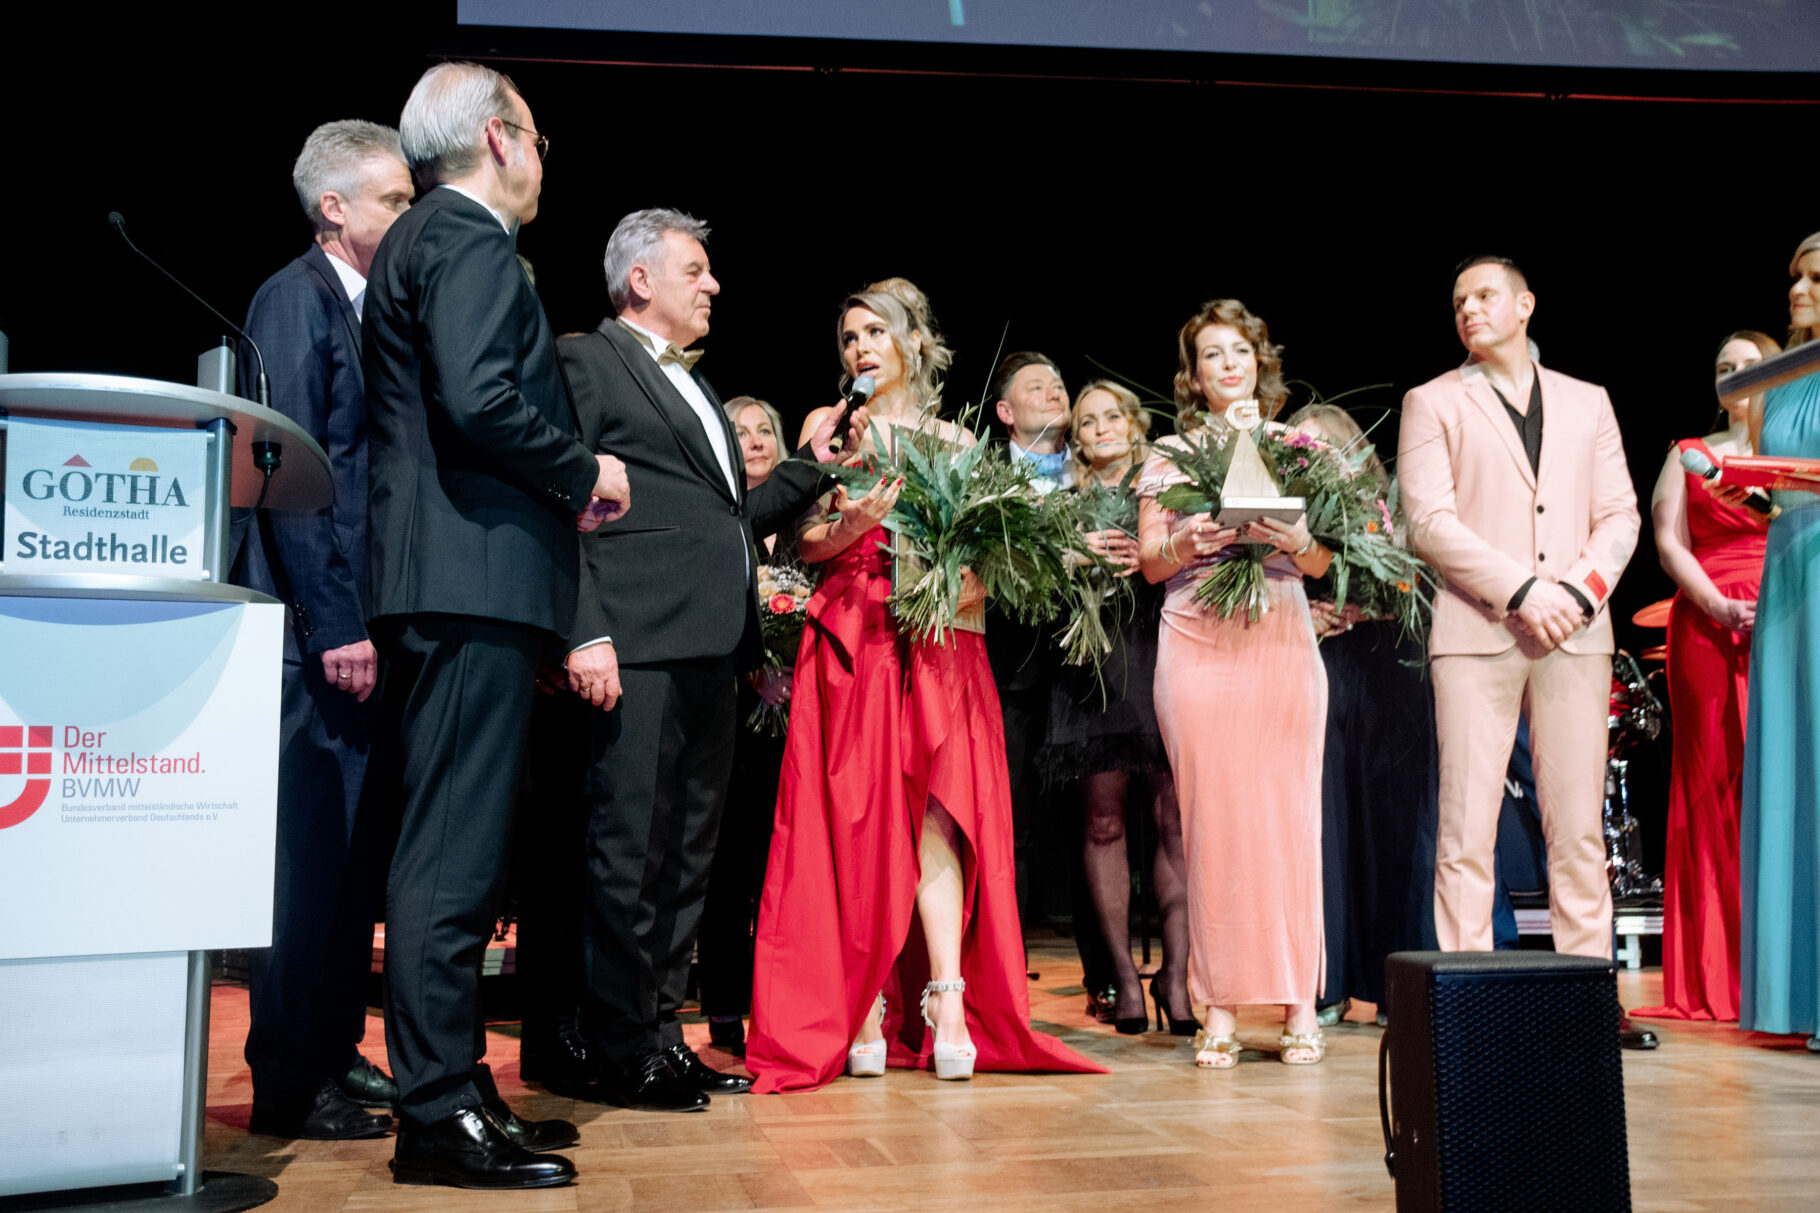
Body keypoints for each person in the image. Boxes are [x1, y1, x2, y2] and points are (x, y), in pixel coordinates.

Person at [363, 61, 630, 1189]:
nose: (546, 156)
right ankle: (433, 1113)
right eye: (538, 134)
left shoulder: (423, 240)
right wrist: (585, 471)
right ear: (498, 137)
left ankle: (456, 1080)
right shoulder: (466, 237)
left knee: (458, 848)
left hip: (454, 574)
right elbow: (480, 398)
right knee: (451, 855)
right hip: (466, 573)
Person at [746, 285, 1103, 1091]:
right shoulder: (826, 426)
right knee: (862, 811)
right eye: (848, 337)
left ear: (914, 342)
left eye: (876, 332)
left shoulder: (954, 438)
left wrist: (971, 570)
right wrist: (854, 521)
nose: (860, 348)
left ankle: (946, 998)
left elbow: (991, 553)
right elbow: (803, 543)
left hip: (942, 632)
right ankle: (867, 1000)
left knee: (942, 809)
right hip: (857, 625)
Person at [557, 210, 858, 1112]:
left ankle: (661, 1034)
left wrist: (812, 464)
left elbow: (730, 514)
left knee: (686, 854)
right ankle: (619, 1046)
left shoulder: (698, 387)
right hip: (637, 643)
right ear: (641, 279)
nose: (714, 285)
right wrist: (584, 628)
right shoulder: (587, 360)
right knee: (629, 850)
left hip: (711, 649)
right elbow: (561, 497)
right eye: (696, 269)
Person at [1396, 257, 1643, 1027]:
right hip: (1479, 630)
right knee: (1467, 826)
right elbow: (1429, 521)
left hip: (1575, 630)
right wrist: (1523, 591)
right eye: (1458, 300)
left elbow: (1621, 515)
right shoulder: (1432, 400)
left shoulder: (1587, 400)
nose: (1468, 308)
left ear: (1525, 304)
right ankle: (1466, 1002)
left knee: (1576, 826)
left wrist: (1574, 593)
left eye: (1484, 295)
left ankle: (1586, 997)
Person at [232, 119, 412, 1142]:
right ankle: (290, 1083)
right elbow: (291, 480)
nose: (407, 212)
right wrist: (339, 626)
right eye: (391, 198)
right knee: (309, 874)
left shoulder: (360, 309)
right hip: (317, 647)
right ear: (332, 207)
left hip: (357, 640)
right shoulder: (292, 300)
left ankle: (334, 1050)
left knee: (352, 873)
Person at [1136, 299, 1332, 1067]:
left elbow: (1320, 565)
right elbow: (1152, 560)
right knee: (1209, 825)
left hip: (1280, 634)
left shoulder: (1296, 446)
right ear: (1194, 374)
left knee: (1291, 823)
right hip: (1196, 638)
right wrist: (1188, 537)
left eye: (1239, 352)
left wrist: (1301, 538)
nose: (1228, 364)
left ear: (1259, 362)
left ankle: (1297, 1004)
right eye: (1212, 354)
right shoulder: (1170, 452)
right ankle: (1215, 1005)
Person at [1632, 331, 1779, 1023]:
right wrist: (1717, 603)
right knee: (1714, 785)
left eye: (1748, 364)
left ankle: (1786, 967)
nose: (1734, 374)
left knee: (1782, 786)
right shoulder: (1688, 452)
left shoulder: (1795, 455)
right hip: (1707, 620)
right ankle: (1719, 972)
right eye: (1723, 366)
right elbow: (1668, 541)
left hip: (1791, 618)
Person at [1042, 380, 1193, 1035]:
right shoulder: (1055, 497)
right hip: (1091, 667)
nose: (1100, 428)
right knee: (1103, 822)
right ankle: (1124, 981)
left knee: (1174, 820)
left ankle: (1178, 977)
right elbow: (1025, 581)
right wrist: (1071, 556)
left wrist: (1158, 549)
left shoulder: (1166, 481)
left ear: (1135, 423)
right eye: (1088, 420)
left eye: (1113, 416)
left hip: (1161, 650)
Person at [1285, 403, 1440, 1027]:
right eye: (1305, 448)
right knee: (1328, 823)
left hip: (1395, 670)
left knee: (1399, 825)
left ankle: (1398, 979)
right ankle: (1329, 984)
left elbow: (1423, 581)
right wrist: (1307, 614)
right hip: (1323, 666)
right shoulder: (1286, 517)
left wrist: (1379, 603)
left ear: (1357, 452)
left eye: (1331, 446)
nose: (1319, 457)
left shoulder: (1397, 509)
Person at [1737, 231, 1820, 1048]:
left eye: (1816, 279)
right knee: (1794, 763)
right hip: (1791, 561)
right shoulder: (1780, 379)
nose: (1798, 290)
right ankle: (1794, 995)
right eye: (1795, 277)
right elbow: (1769, 479)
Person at [698, 395, 793, 1056]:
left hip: (799, 712)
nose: (755, 440)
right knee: (730, 862)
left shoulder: (808, 516)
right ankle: (727, 1006)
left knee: (785, 862)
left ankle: (785, 1004)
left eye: (766, 429)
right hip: (728, 707)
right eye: (741, 430)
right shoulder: (713, 512)